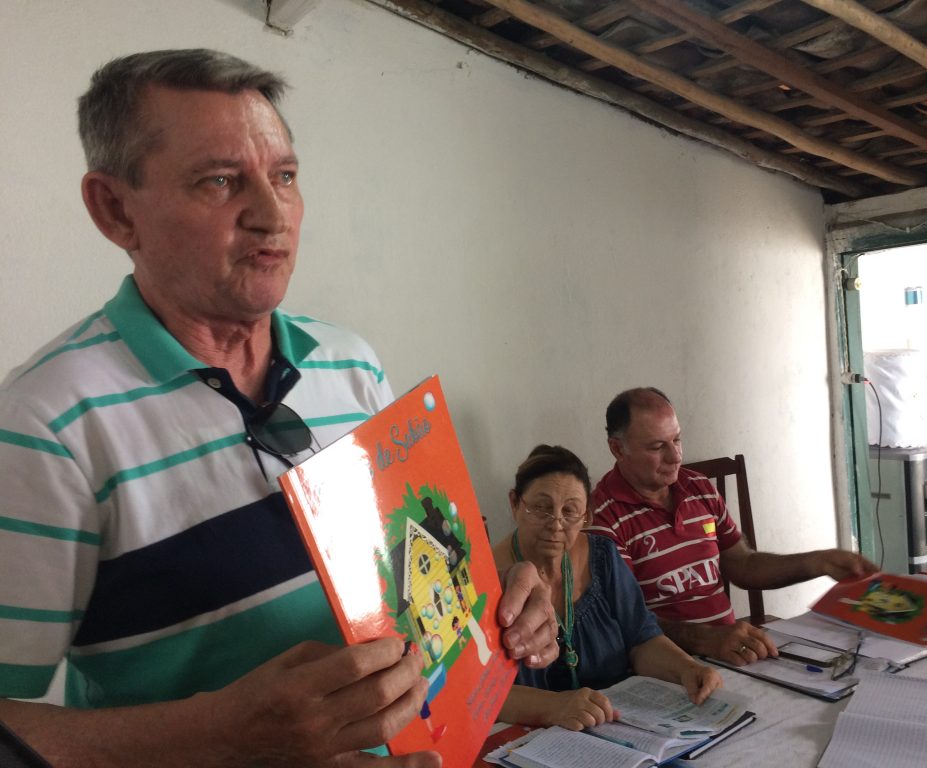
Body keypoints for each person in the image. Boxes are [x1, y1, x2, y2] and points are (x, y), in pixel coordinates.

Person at [0, 49, 559, 767]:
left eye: (285, 176)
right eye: (220, 180)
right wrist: (221, 735)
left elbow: (409, 575)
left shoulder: (351, 364)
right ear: (115, 209)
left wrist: (497, 597)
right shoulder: (45, 426)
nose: (273, 215)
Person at [589, 388, 877, 667]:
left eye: (676, 440)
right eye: (657, 447)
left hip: (732, 650)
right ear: (618, 449)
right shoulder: (602, 518)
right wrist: (706, 639)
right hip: (671, 666)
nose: (675, 456)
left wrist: (819, 562)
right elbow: (624, 620)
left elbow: (743, 564)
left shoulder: (698, 487)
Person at [493, 445, 722, 731]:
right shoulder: (486, 580)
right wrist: (553, 707)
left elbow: (641, 640)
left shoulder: (602, 558)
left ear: (586, 516)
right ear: (515, 504)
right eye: (541, 508)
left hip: (613, 723)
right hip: (527, 738)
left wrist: (686, 668)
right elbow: (475, 693)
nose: (556, 525)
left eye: (570, 511)